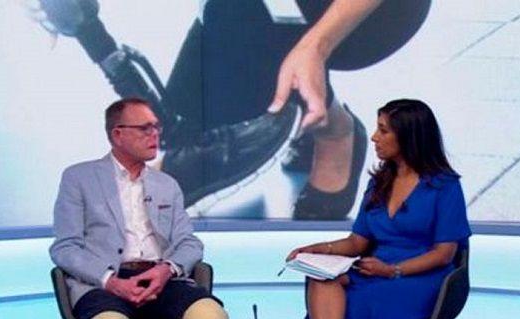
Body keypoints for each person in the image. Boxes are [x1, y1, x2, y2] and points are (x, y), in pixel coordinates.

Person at [31, 0, 431, 218]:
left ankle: (334, 133)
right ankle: (322, 112)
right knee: (190, 131)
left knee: (238, 20)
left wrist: (316, 46)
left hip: (375, 14)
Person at [49, 98, 229, 319]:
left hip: (161, 276)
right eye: (145, 128)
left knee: (210, 315)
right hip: (103, 281)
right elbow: (65, 247)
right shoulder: (79, 178)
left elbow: (190, 243)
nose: (155, 134)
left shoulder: (166, 184)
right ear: (118, 134)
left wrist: (167, 269)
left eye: (156, 128)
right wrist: (110, 280)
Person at [287, 99, 471, 319]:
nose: (373, 137)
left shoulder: (444, 187)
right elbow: (358, 242)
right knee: (321, 280)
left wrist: (393, 270)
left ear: (408, 136)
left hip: (421, 276)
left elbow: (444, 254)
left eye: (383, 131)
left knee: (370, 303)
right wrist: (320, 249)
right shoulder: (379, 182)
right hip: (373, 268)